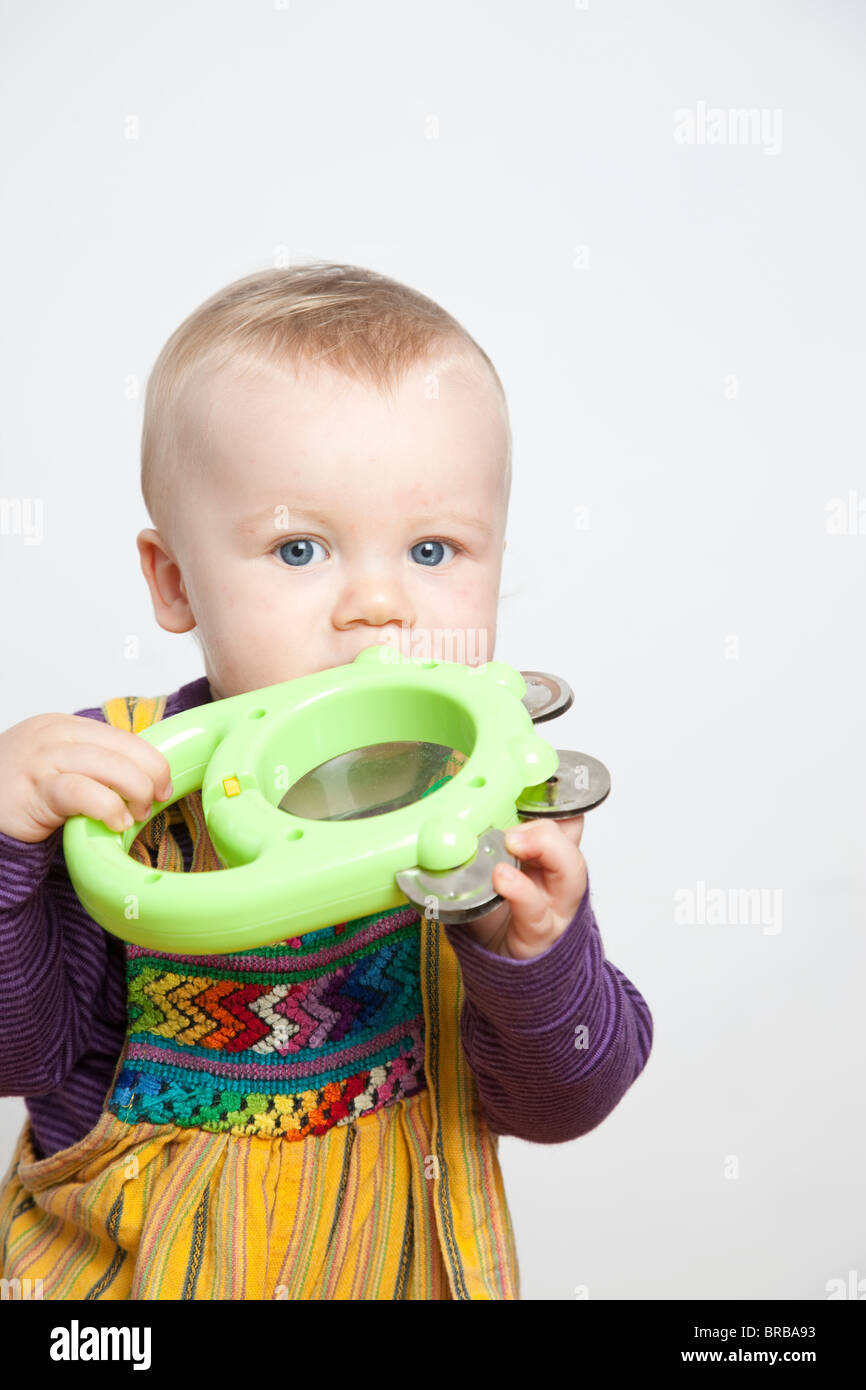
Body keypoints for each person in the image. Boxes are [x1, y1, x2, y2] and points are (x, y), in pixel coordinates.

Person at [0, 262, 653, 1300]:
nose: (376, 605)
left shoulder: (488, 807)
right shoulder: (113, 788)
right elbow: (16, 1051)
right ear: (174, 579)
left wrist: (532, 954)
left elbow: (566, 1100)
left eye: (432, 548)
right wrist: (8, 851)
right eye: (298, 548)